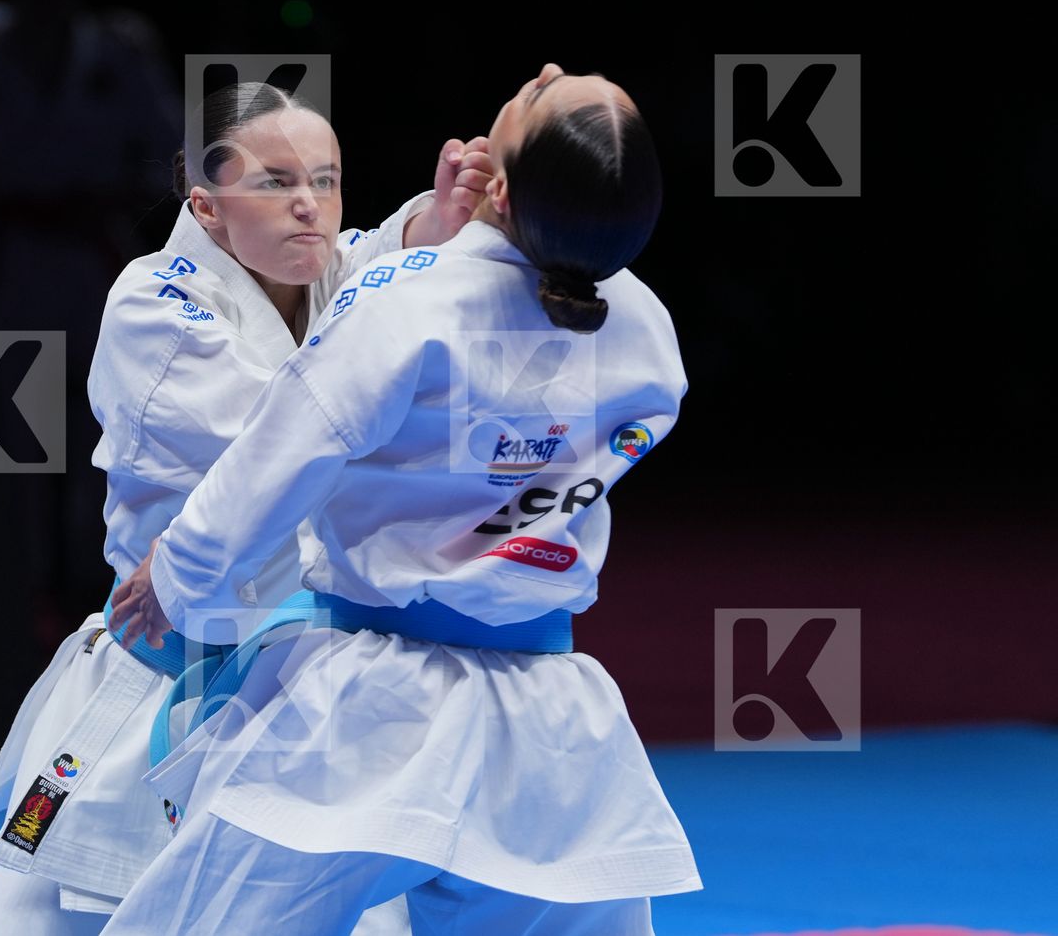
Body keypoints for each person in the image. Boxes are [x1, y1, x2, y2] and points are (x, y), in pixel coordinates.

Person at [105, 63, 702, 935]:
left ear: (500, 182)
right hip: (554, 716)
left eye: (545, 93)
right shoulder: (647, 331)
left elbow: (280, 455)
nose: (542, 72)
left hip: (377, 705)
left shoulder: (408, 306)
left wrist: (180, 575)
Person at [0, 79, 493, 935]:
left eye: (325, 178)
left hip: (301, 695)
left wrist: (439, 224)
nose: (308, 206)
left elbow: (378, 256)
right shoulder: (154, 307)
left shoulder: (328, 274)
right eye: (275, 182)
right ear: (207, 207)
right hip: (159, 680)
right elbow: (305, 445)